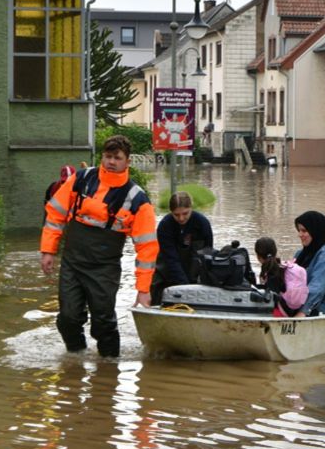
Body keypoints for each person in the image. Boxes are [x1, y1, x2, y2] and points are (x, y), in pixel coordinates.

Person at [40, 135, 158, 357]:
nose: (111, 162)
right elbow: (55, 214)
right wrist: (48, 250)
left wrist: (143, 289)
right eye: (107, 156)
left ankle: (108, 370)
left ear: (127, 161)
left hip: (104, 269)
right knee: (68, 318)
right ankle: (75, 360)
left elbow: (147, 247)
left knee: (103, 322)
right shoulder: (81, 179)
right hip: (72, 263)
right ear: (101, 156)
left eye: (117, 158)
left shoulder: (137, 199)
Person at [149, 191, 213, 305]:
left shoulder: (202, 223)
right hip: (167, 270)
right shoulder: (165, 225)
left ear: (191, 208)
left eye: (185, 213)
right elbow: (171, 259)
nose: (181, 218)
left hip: (194, 268)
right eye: (176, 215)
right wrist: (184, 286)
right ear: (171, 212)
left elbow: (208, 252)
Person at [255, 236, 308, 317]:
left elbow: (270, 299)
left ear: (258, 256)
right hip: (294, 309)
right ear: (275, 252)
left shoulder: (270, 273)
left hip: (280, 313)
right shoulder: (284, 266)